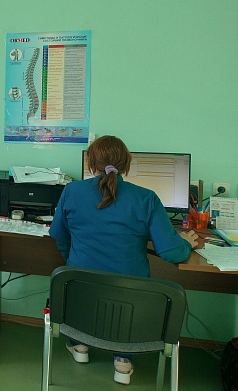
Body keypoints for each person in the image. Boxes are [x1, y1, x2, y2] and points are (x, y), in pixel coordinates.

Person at [49, 135, 201, 386]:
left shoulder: (71, 191)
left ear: (91, 165)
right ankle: (123, 360)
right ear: (127, 166)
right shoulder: (147, 198)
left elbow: (60, 238)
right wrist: (187, 242)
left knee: (82, 287)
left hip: (79, 300)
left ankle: (79, 344)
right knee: (126, 294)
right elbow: (172, 252)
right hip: (132, 311)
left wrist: (74, 263)